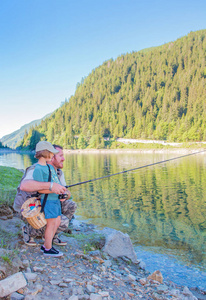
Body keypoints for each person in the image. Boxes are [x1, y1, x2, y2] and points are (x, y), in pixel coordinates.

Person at [13, 144, 77, 247]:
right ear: (51, 157)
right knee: (62, 222)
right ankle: (28, 231)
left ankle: (51, 236)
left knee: (71, 205)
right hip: (29, 208)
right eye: (60, 156)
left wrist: (65, 194)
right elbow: (24, 186)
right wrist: (51, 186)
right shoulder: (36, 168)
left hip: (47, 202)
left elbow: (67, 192)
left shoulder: (59, 172)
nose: (63, 159)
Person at [32, 141, 65, 257]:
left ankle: (47, 244)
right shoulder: (38, 169)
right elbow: (40, 189)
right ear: (45, 153)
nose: (53, 155)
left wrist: (61, 190)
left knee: (56, 222)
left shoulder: (49, 167)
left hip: (55, 200)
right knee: (51, 225)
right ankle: (48, 249)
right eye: (52, 153)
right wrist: (53, 189)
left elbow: (55, 182)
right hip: (49, 201)